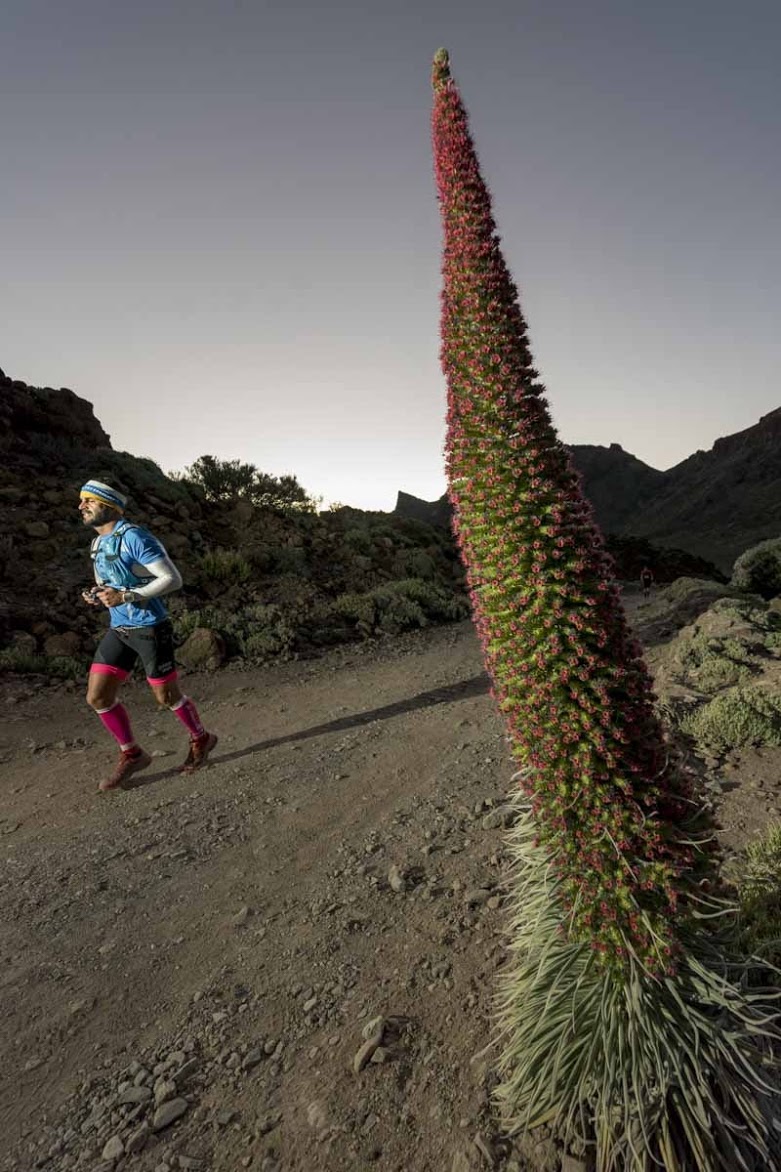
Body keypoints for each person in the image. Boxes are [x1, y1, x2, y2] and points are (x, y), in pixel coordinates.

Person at [79, 479, 217, 792]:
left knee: (166, 697)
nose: (81, 506)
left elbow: (172, 579)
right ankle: (133, 754)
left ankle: (202, 739)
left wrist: (125, 597)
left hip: (151, 628)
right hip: (120, 629)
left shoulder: (135, 537)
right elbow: (109, 582)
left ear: (110, 506)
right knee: (97, 696)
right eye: (81, 501)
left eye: (89, 500)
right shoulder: (97, 544)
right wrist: (98, 594)